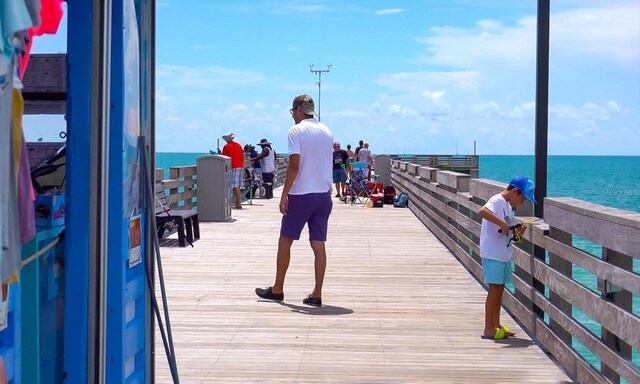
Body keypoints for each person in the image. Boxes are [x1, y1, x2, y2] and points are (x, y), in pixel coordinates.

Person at [255, 94, 333, 307]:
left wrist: (284, 194)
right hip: (324, 195)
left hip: (302, 195)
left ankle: (278, 289)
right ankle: (317, 293)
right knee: (319, 245)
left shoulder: (296, 130)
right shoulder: (326, 131)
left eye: (292, 112)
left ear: (299, 110)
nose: (292, 117)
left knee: (285, 241)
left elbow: (294, 164)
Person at [478, 176, 535, 339]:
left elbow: (507, 233)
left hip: (502, 253)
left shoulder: (507, 207)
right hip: (492, 253)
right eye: (523, 199)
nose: (522, 203)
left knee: (500, 289)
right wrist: (502, 224)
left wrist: (517, 234)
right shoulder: (497, 200)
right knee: (494, 289)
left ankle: (496, 325)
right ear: (515, 191)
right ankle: (488, 328)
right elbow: (483, 211)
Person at [221, 133, 244, 209]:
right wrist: (242, 163)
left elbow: (223, 157)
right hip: (240, 166)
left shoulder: (226, 146)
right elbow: (243, 154)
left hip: (233, 167)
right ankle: (237, 202)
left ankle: (238, 203)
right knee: (236, 185)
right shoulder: (238, 145)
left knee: (234, 185)